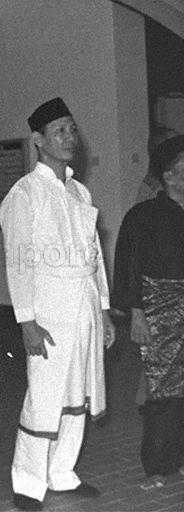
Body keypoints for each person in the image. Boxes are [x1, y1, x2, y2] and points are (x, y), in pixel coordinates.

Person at [0, 97, 115, 512]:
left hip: (83, 305)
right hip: (48, 309)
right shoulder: (24, 195)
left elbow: (95, 255)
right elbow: (18, 262)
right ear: (38, 140)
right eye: (60, 131)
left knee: (78, 393)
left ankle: (62, 473)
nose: (70, 138)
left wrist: (102, 309)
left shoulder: (79, 192)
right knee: (45, 395)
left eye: (72, 129)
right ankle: (28, 482)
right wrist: (26, 322)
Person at [112, 134, 184, 491]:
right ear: (169, 175)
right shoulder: (142, 216)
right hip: (160, 310)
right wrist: (137, 312)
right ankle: (158, 465)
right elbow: (130, 265)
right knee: (162, 389)